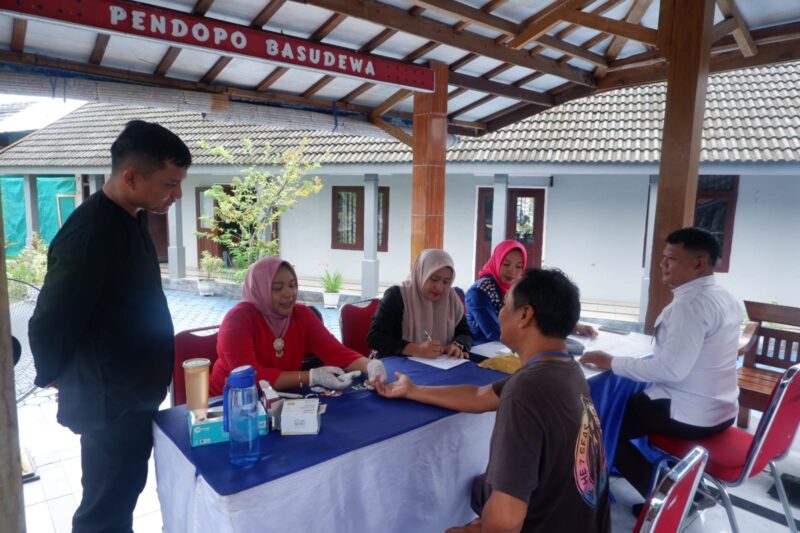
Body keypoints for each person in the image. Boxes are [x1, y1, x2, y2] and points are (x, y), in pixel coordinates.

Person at [29, 120, 191, 533]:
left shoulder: (133, 215)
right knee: (105, 506)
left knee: (124, 492)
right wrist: (55, 374)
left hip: (132, 391)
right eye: (170, 183)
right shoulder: (89, 234)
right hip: (109, 399)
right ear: (131, 176)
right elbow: (51, 317)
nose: (177, 194)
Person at [368, 268, 610, 533]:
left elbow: (506, 520)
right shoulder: (565, 369)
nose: (500, 312)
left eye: (506, 304)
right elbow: (480, 396)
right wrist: (412, 390)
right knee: (479, 488)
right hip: (582, 521)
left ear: (525, 315)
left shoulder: (527, 390)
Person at [580, 227, 742, 502]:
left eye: (671, 259)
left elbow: (671, 370)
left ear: (699, 263)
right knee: (628, 406)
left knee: (604, 426)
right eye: (663, 257)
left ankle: (670, 501)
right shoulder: (726, 297)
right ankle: (683, 487)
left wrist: (611, 362)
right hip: (722, 408)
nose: (662, 264)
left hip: (689, 412)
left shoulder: (690, 305)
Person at [210, 257, 386, 394]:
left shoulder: (301, 315)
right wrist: (311, 377)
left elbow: (336, 352)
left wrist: (369, 365)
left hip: (282, 397)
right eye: (278, 288)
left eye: (292, 285)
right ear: (260, 289)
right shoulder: (238, 320)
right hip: (230, 404)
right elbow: (251, 377)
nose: (289, 294)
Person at [467, 240, 598, 345]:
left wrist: (571, 326)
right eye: (506, 264)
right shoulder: (479, 291)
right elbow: (494, 332)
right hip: (481, 350)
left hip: (511, 347)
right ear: (496, 262)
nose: (512, 271)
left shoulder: (520, 288)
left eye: (518, 266)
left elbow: (539, 316)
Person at [367, 248, 472, 359]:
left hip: (437, 365)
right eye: (434, 279)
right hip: (395, 364)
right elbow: (375, 338)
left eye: (446, 282)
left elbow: (466, 333)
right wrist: (417, 349)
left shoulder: (450, 297)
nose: (440, 287)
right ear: (421, 273)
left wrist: (456, 346)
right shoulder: (397, 295)